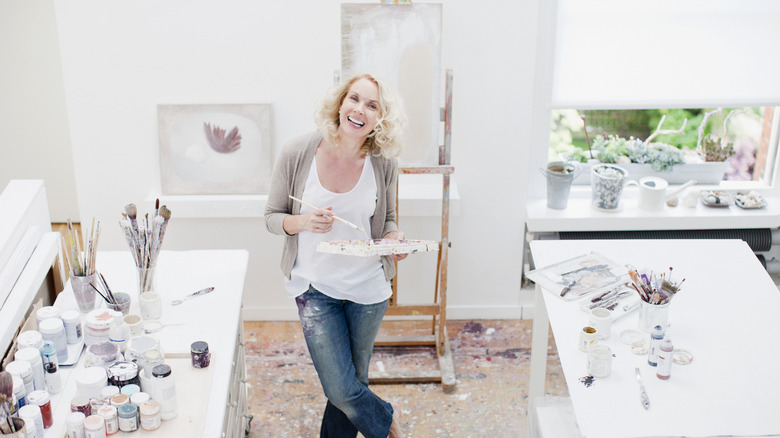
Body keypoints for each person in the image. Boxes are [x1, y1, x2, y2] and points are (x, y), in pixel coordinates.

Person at [264, 73, 407, 438]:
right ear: (340, 103)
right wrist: (305, 222)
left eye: (371, 105)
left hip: (368, 290)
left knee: (350, 384)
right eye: (354, 99)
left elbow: (387, 220)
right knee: (342, 389)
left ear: (380, 118)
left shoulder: (383, 163)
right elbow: (272, 218)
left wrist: (395, 240)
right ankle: (390, 425)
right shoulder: (298, 153)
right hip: (315, 288)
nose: (360, 109)